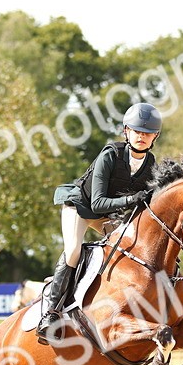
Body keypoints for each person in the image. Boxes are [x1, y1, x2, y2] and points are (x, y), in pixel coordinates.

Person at [40, 102, 161, 343]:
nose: (141, 136)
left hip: (107, 214)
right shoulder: (110, 155)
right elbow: (97, 204)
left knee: (129, 249)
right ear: (126, 131)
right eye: (136, 131)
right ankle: (50, 313)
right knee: (74, 250)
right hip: (80, 206)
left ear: (155, 136)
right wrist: (131, 199)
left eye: (147, 133)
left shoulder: (150, 164)